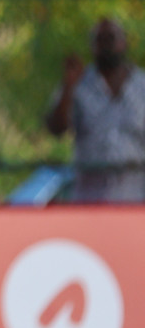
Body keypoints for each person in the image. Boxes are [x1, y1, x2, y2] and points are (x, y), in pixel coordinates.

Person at [45, 18, 145, 202]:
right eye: (100, 39)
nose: (106, 45)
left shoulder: (141, 86)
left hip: (136, 200)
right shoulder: (78, 84)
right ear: (92, 46)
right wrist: (68, 86)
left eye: (111, 38)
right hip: (90, 201)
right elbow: (56, 128)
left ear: (124, 42)